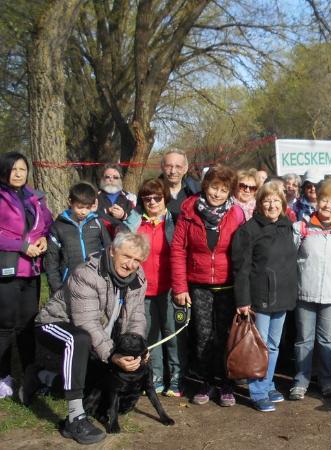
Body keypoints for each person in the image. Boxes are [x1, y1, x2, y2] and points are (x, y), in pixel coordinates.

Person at [31, 232, 149, 444]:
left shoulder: (138, 278)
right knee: (79, 339)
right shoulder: (86, 274)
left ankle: (41, 377)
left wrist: (136, 351)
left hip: (92, 335)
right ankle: (74, 419)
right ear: (112, 251)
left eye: (137, 260)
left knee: (93, 386)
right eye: (127, 256)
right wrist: (112, 355)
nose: (131, 264)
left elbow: (137, 317)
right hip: (54, 323)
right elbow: (86, 323)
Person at [170, 164, 245, 407]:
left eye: (223, 189)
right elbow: (178, 251)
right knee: (202, 335)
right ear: (205, 186)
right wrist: (180, 287)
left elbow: (244, 254)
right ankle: (206, 381)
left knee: (225, 336)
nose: (217, 194)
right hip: (198, 284)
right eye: (214, 187)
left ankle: (226, 383)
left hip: (227, 286)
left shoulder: (237, 214)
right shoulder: (189, 211)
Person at [231, 183, 298, 412]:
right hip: (259, 297)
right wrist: (242, 300)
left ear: (283, 204)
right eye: (267, 201)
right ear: (259, 204)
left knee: (274, 345)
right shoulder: (249, 230)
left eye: (276, 201)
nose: (272, 205)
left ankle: (267, 383)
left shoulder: (286, 225)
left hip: (283, 295)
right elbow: (241, 268)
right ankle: (257, 391)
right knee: (258, 347)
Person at [290, 180, 331, 400]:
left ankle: (327, 381)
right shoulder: (301, 227)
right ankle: (301, 381)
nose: (327, 205)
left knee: (327, 340)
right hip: (304, 293)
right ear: (317, 200)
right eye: (324, 200)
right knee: (303, 339)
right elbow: (290, 260)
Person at [122, 179, 182, 397]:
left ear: (165, 197)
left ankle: (176, 378)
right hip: (143, 290)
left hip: (169, 289)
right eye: (147, 199)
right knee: (150, 336)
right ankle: (155, 377)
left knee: (172, 334)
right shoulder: (137, 223)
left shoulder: (174, 221)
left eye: (157, 197)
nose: (153, 202)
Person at [0, 152, 53, 399]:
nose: (19, 174)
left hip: (31, 271)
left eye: (22, 169)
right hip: (8, 269)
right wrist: (21, 246)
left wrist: (43, 237)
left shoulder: (35, 197)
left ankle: (30, 375)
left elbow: (46, 223)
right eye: (13, 170)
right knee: (5, 325)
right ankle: (3, 376)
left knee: (27, 325)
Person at [44, 182, 110, 294]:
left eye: (88, 207)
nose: (84, 211)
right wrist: (57, 289)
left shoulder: (97, 222)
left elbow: (109, 248)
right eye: (80, 207)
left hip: (96, 281)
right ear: (70, 202)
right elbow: (51, 260)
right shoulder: (59, 226)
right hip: (69, 283)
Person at [160, 149, 200, 221]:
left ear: (185, 169)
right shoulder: (151, 191)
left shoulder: (196, 191)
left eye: (178, 167)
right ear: (162, 167)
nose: (173, 171)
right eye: (169, 166)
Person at [96, 164, 136, 232]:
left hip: (123, 239)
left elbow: (136, 219)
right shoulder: (94, 197)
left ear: (121, 180)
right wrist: (107, 210)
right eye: (107, 177)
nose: (111, 179)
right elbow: (86, 214)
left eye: (115, 177)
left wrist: (123, 215)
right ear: (102, 179)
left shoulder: (131, 197)